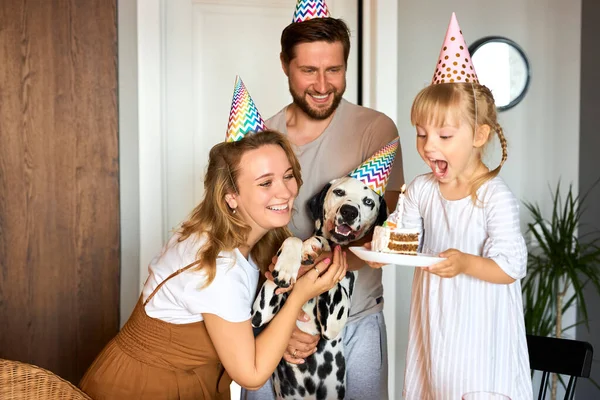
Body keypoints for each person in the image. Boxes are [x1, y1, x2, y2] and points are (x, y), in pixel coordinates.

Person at [79, 127, 348, 399]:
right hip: (142, 388)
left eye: (288, 176)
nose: (285, 192)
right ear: (231, 195)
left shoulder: (251, 239)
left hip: (191, 382)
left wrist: (281, 333)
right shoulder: (218, 264)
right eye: (265, 183)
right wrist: (298, 297)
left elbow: (238, 323)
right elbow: (251, 376)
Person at [242, 2, 404, 399]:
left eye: (334, 70)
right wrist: (287, 321)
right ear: (284, 64)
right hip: (274, 324)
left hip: (354, 322)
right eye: (308, 71)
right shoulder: (262, 137)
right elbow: (245, 238)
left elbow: (393, 230)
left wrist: (311, 302)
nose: (322, 84)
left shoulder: (375, 130)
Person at [397, 13, 533, 400]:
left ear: (479, 135)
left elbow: (510, 266)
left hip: (480, 340)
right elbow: (402, 235)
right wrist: (382, 250)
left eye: (443, 134)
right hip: (434, 333)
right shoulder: (422, 190)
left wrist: (465, 263)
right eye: (421, 134)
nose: (427, 146)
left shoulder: (493, 196)